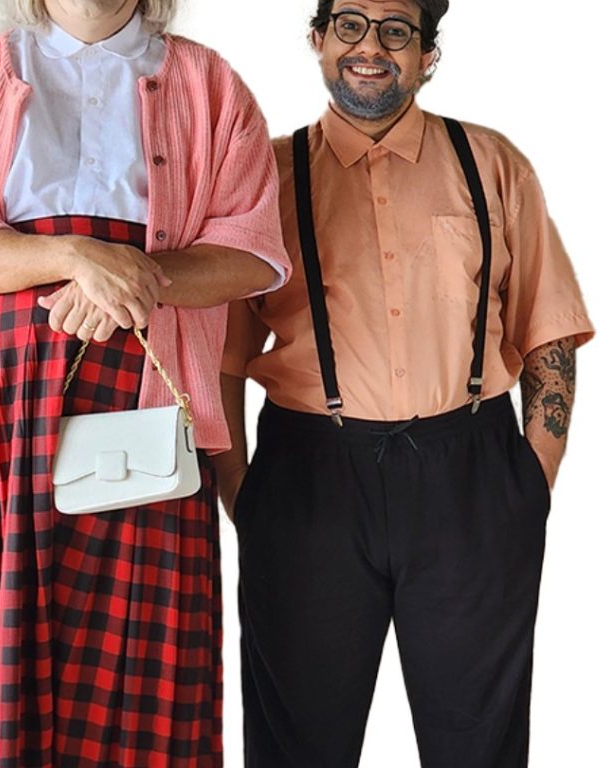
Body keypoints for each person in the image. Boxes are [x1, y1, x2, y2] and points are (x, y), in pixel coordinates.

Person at [0, 0, 290, 764]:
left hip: (149, 408)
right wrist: (76, 257)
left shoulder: (209, 83)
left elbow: (251, 253)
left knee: (140, 677)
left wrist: (130, 279)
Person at [216, 0, 595, 766]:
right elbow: (222, 358)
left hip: (473, 472)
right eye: (350, 24)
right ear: (318, 40)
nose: (372, 46)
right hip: (307, 479)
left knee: (477, 745)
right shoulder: (265, 178)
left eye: (397, 30)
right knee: (298, 745)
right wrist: (243, 496)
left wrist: (529, 481)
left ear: (428, 55)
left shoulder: (492, 164)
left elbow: (547, 326)